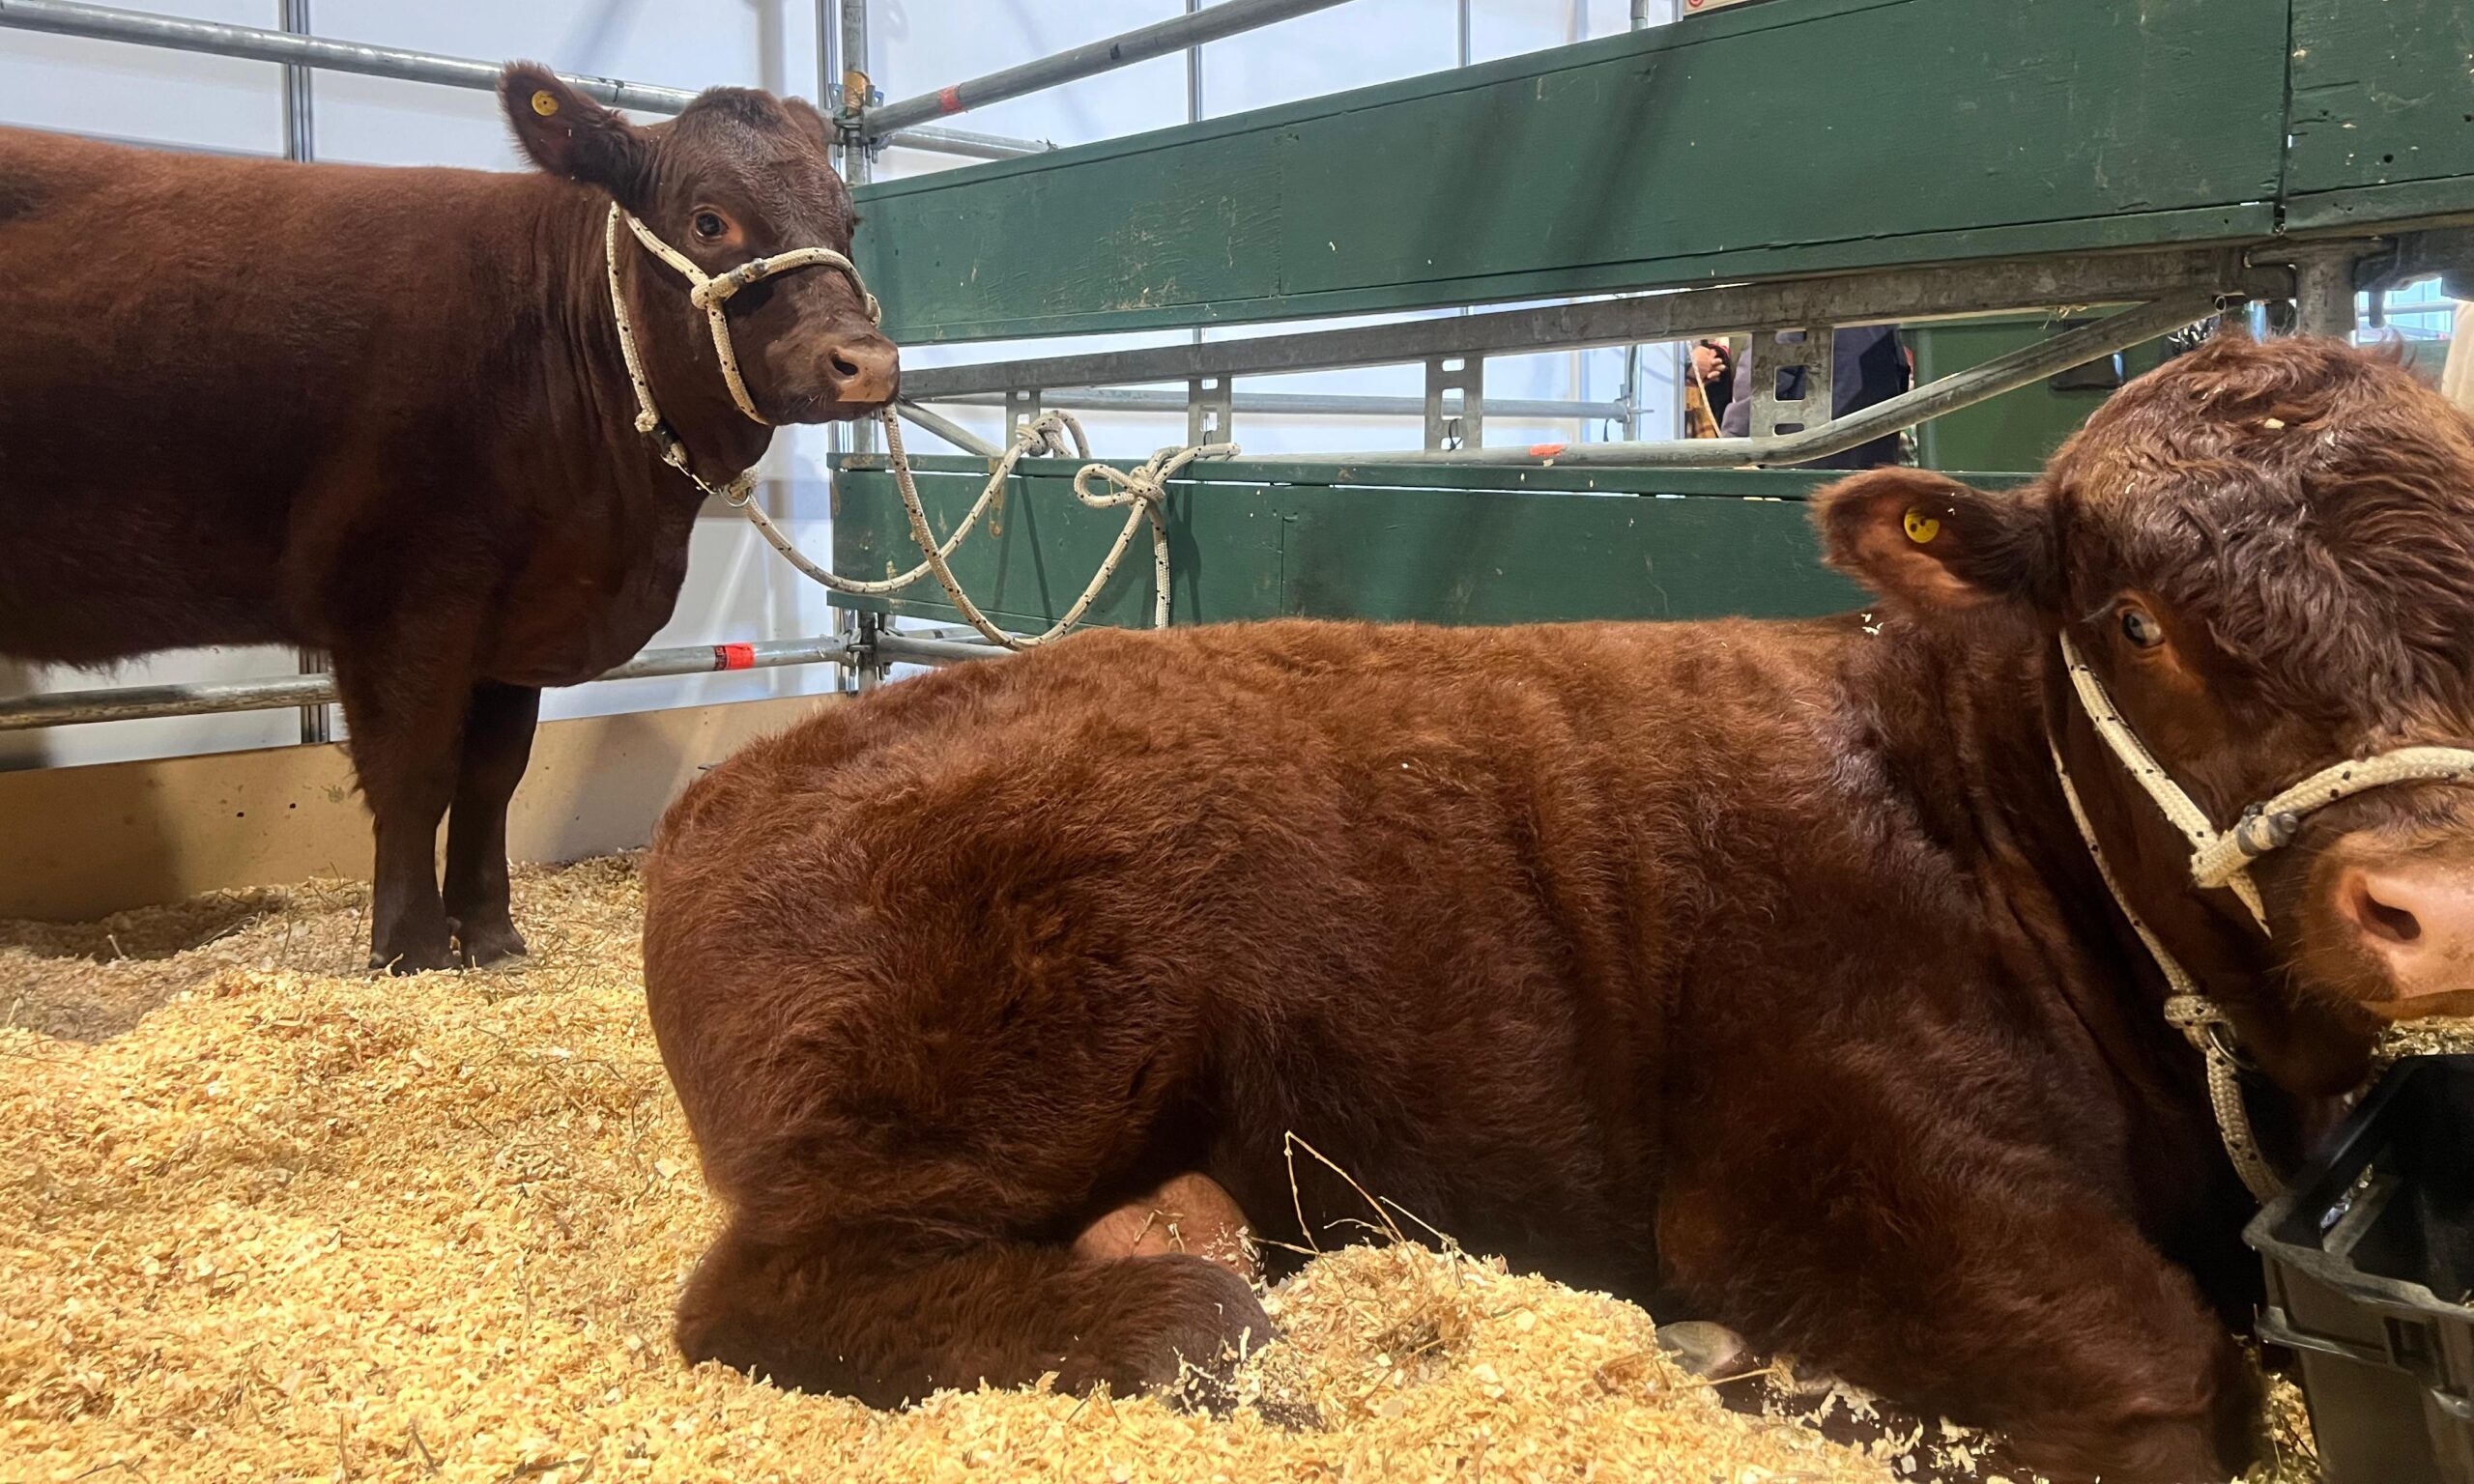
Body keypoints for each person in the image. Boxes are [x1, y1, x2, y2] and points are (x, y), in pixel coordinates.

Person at [1718, 325, 1910, 469]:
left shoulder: (1795, 297)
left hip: (1806, 464)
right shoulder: (1882, 314)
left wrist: (1731, 446)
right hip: (1873, 467)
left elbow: (1764, 378)